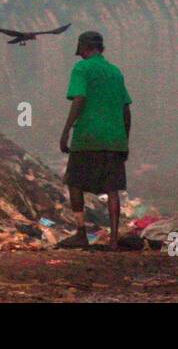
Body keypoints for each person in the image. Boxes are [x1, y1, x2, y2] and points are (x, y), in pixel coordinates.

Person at [57, 30, 132, 251]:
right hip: (114, 138)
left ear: (84, 47)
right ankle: (114, 239)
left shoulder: (82, 68)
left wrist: (66, 130)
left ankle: (81, 233)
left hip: (88, 136)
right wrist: (124, 140)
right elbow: (126, 109)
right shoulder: (115, 72)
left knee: (74, 182)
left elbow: (79, 98)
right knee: (112, 189)